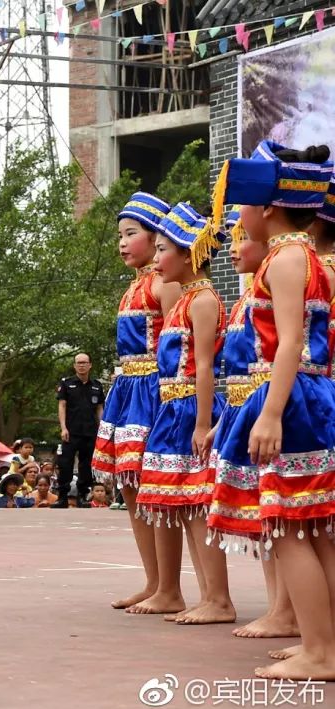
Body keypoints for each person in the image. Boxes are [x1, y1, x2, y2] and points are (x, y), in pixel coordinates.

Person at [208, 141, 335, 680]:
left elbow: (288, 344)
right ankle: (322, 642)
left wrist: (271, 412)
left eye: (242, 208)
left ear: (268, 208)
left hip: (293, 396)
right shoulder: (308, 257)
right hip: (312, 396)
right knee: (319, 527)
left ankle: (320, 652)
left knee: (286, 525)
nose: (237, 218)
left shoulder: (284, 259)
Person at [130, 202, 229, 624]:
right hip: (174, 408)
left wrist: (204, 422)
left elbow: (204, 366)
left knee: (197, 503)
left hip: (191, 408)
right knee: (183, 505)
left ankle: (219, 598)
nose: (156, 258)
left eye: (163, 249)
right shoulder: (182, 300)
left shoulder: (202, 299)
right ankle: (206, 596)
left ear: (189, 253)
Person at [90, 191, 179, 605]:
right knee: (130, 487)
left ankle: (170, 588)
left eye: (131, 234)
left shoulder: (165, 284)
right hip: (128, 391)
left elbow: (180, 347)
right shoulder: (133, 288)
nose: (122, 243)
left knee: (154, 487)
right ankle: (153, 582)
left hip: (155, 393)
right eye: (120, 235)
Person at [54, 354, 104, 508]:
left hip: (90, 431)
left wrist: (102, 430)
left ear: (90, 365)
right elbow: (62, 405)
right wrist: (63, 428)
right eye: (78, 363)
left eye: (84, 363)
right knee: (65, 464)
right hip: (70, 431)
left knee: (86, 465)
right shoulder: (67, 384)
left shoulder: (97, 385)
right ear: (74, 366)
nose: (81, 365)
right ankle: (62, 497)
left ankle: (82, 496)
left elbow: (100, 409)